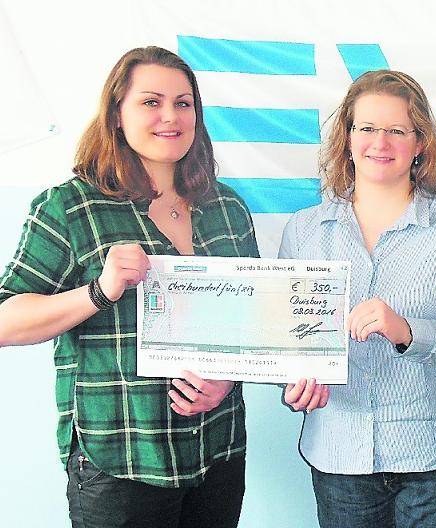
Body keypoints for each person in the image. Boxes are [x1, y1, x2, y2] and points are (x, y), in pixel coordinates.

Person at [0, 47, 259, 527]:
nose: (170, 116)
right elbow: (4, 320)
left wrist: (227, 380)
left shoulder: (227, 208)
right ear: (117, 114)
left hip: (217, 451)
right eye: (151, 102)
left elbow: (251, 329)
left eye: (184, 103)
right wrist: (98, 290)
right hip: (120, 461)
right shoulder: (71, 207)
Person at [277, 69, 436, 528]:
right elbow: (283, 343)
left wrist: (408, 332)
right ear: (347, 136)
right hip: (340, 460)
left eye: (397, 130)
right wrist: (295, 380)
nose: (380, 142)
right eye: (367, 128)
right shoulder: (303, 230)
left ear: (420, 143)